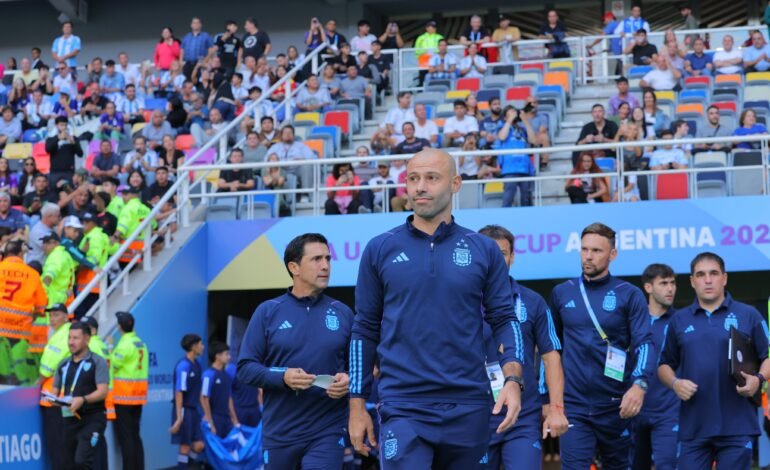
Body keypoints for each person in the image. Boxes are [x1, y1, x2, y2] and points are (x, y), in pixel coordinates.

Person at [348, 148, 524, 467]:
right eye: (413, 178)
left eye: (432, 178)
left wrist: (513, 379)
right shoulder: (379, 249)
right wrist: (357, 404)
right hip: (403, 403)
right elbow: (364, 329)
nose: (420, 187)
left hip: (469, 403)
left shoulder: (483, 249)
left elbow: (504, 319)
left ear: (455, 183)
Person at [237, 233, 353, 468]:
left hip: (327, 430)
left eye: (328, 259)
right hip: (280, 433)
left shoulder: (342, 312)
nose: (325, 266)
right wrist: (283, 377)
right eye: (317, 259)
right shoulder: (268, 311)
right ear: (294, 267)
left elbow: (360, 367)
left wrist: (349, 380)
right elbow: (245, 369)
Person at [550, 223, 653, 469]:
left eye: (596, 250)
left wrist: (639, 385)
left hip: (616, 406)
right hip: (574, 406)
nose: (588, 255)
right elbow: (551, 351)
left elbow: (645, 343)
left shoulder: (629, 294)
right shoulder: (562, 293)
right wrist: (550, 400)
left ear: (612, 255)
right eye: (584, 249)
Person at [659, 252, 770, 469]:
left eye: (714, 273)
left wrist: (758, 378)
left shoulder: (748, 315)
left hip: (738, 427)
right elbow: (664, 365)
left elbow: (768, 357)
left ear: (724, 278)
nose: (708, 280)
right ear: (692, 281)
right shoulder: (678, 320)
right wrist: (675, 383)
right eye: (701, 275)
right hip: (694, 428)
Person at [477, 225, 569, 469]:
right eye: (490, 253)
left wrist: (556, 407)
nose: (497, 260)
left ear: (512, 257)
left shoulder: (533, 301)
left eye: (503, 253)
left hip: (522, 416)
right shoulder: (459, 300)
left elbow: (551, 358)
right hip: (474, 418)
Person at [632, 264, 679, 470]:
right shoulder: (631, 321)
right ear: (648, 288)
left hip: (669, 412)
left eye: (672, 283)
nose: (670, 289)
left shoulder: (681, 321)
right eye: (663, 283)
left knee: (667, 465)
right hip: (632, 409)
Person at [50, 321, 109, 469]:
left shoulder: (97, 362)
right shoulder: (63, 364)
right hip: (69, 419)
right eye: (69, 338)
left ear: (87, 339)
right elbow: (55, 392)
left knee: (82, 460)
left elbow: (102, 392)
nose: (71, 342)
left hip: (93, 418)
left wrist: (82, 400)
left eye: (76, 338)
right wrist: (54, 400)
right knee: (68, 463)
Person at [0, 240, 47, 386]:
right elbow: (41, 307)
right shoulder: (32, 274)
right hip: (20, 332)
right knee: (16, 370)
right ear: (21, 253)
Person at [109, 311, 148, 470]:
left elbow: (113, 364)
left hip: (124, 397)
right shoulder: (141, 343)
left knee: (126, 439)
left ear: (119, 327)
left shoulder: (123, 345)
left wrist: (111, 347)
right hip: (138, 397)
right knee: (135, 436)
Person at [37, 304, 71, 466]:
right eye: (51, 316)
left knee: (57, 446)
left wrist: (36, 384)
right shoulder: (69, 334)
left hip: (54, 400)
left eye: (56, 315)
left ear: (66, 316)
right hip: (65, 399)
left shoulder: (62, 336)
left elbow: (47, 368)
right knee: (65, 445)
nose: (52, 319)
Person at [170, 333, 205, 469]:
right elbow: (179, 392)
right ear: (193, 346)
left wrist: (206, 414)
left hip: (194, 410)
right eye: (201, 344)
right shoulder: (183, 366)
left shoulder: (198, 364)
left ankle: (186, 467)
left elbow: (200, 390)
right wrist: (179, 418)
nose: (203, 347)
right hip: (183, 409)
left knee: (199, 445)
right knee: (185, 446)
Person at [497, 106, 537, 207]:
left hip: (524, 167)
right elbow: (502, 136)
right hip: (510, 168)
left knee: (527, 199)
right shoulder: (502, 126)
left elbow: (533, 141)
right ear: (505, 117)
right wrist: (509, 120)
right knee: (508, 198)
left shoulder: (522, 129)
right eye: (511, 112)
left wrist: (526, 121)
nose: (514, 114)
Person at [201, 342, 240, 438]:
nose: (229, 357)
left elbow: (229, 399)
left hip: (226, 420)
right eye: (226, 354)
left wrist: (235, 420)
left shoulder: (227, 376)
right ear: (218, 356)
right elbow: (204, 398)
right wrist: (210, 422)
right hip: (214, 418)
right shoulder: (208, 375)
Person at [41, 232, 76, 308]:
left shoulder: (55, 256)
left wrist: (40, 295)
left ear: (56, 243)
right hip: (62, 297)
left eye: (47, 243)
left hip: (52, 299)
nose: (44, 246)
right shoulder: (65, 254)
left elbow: (49, 276)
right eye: (43, 243)